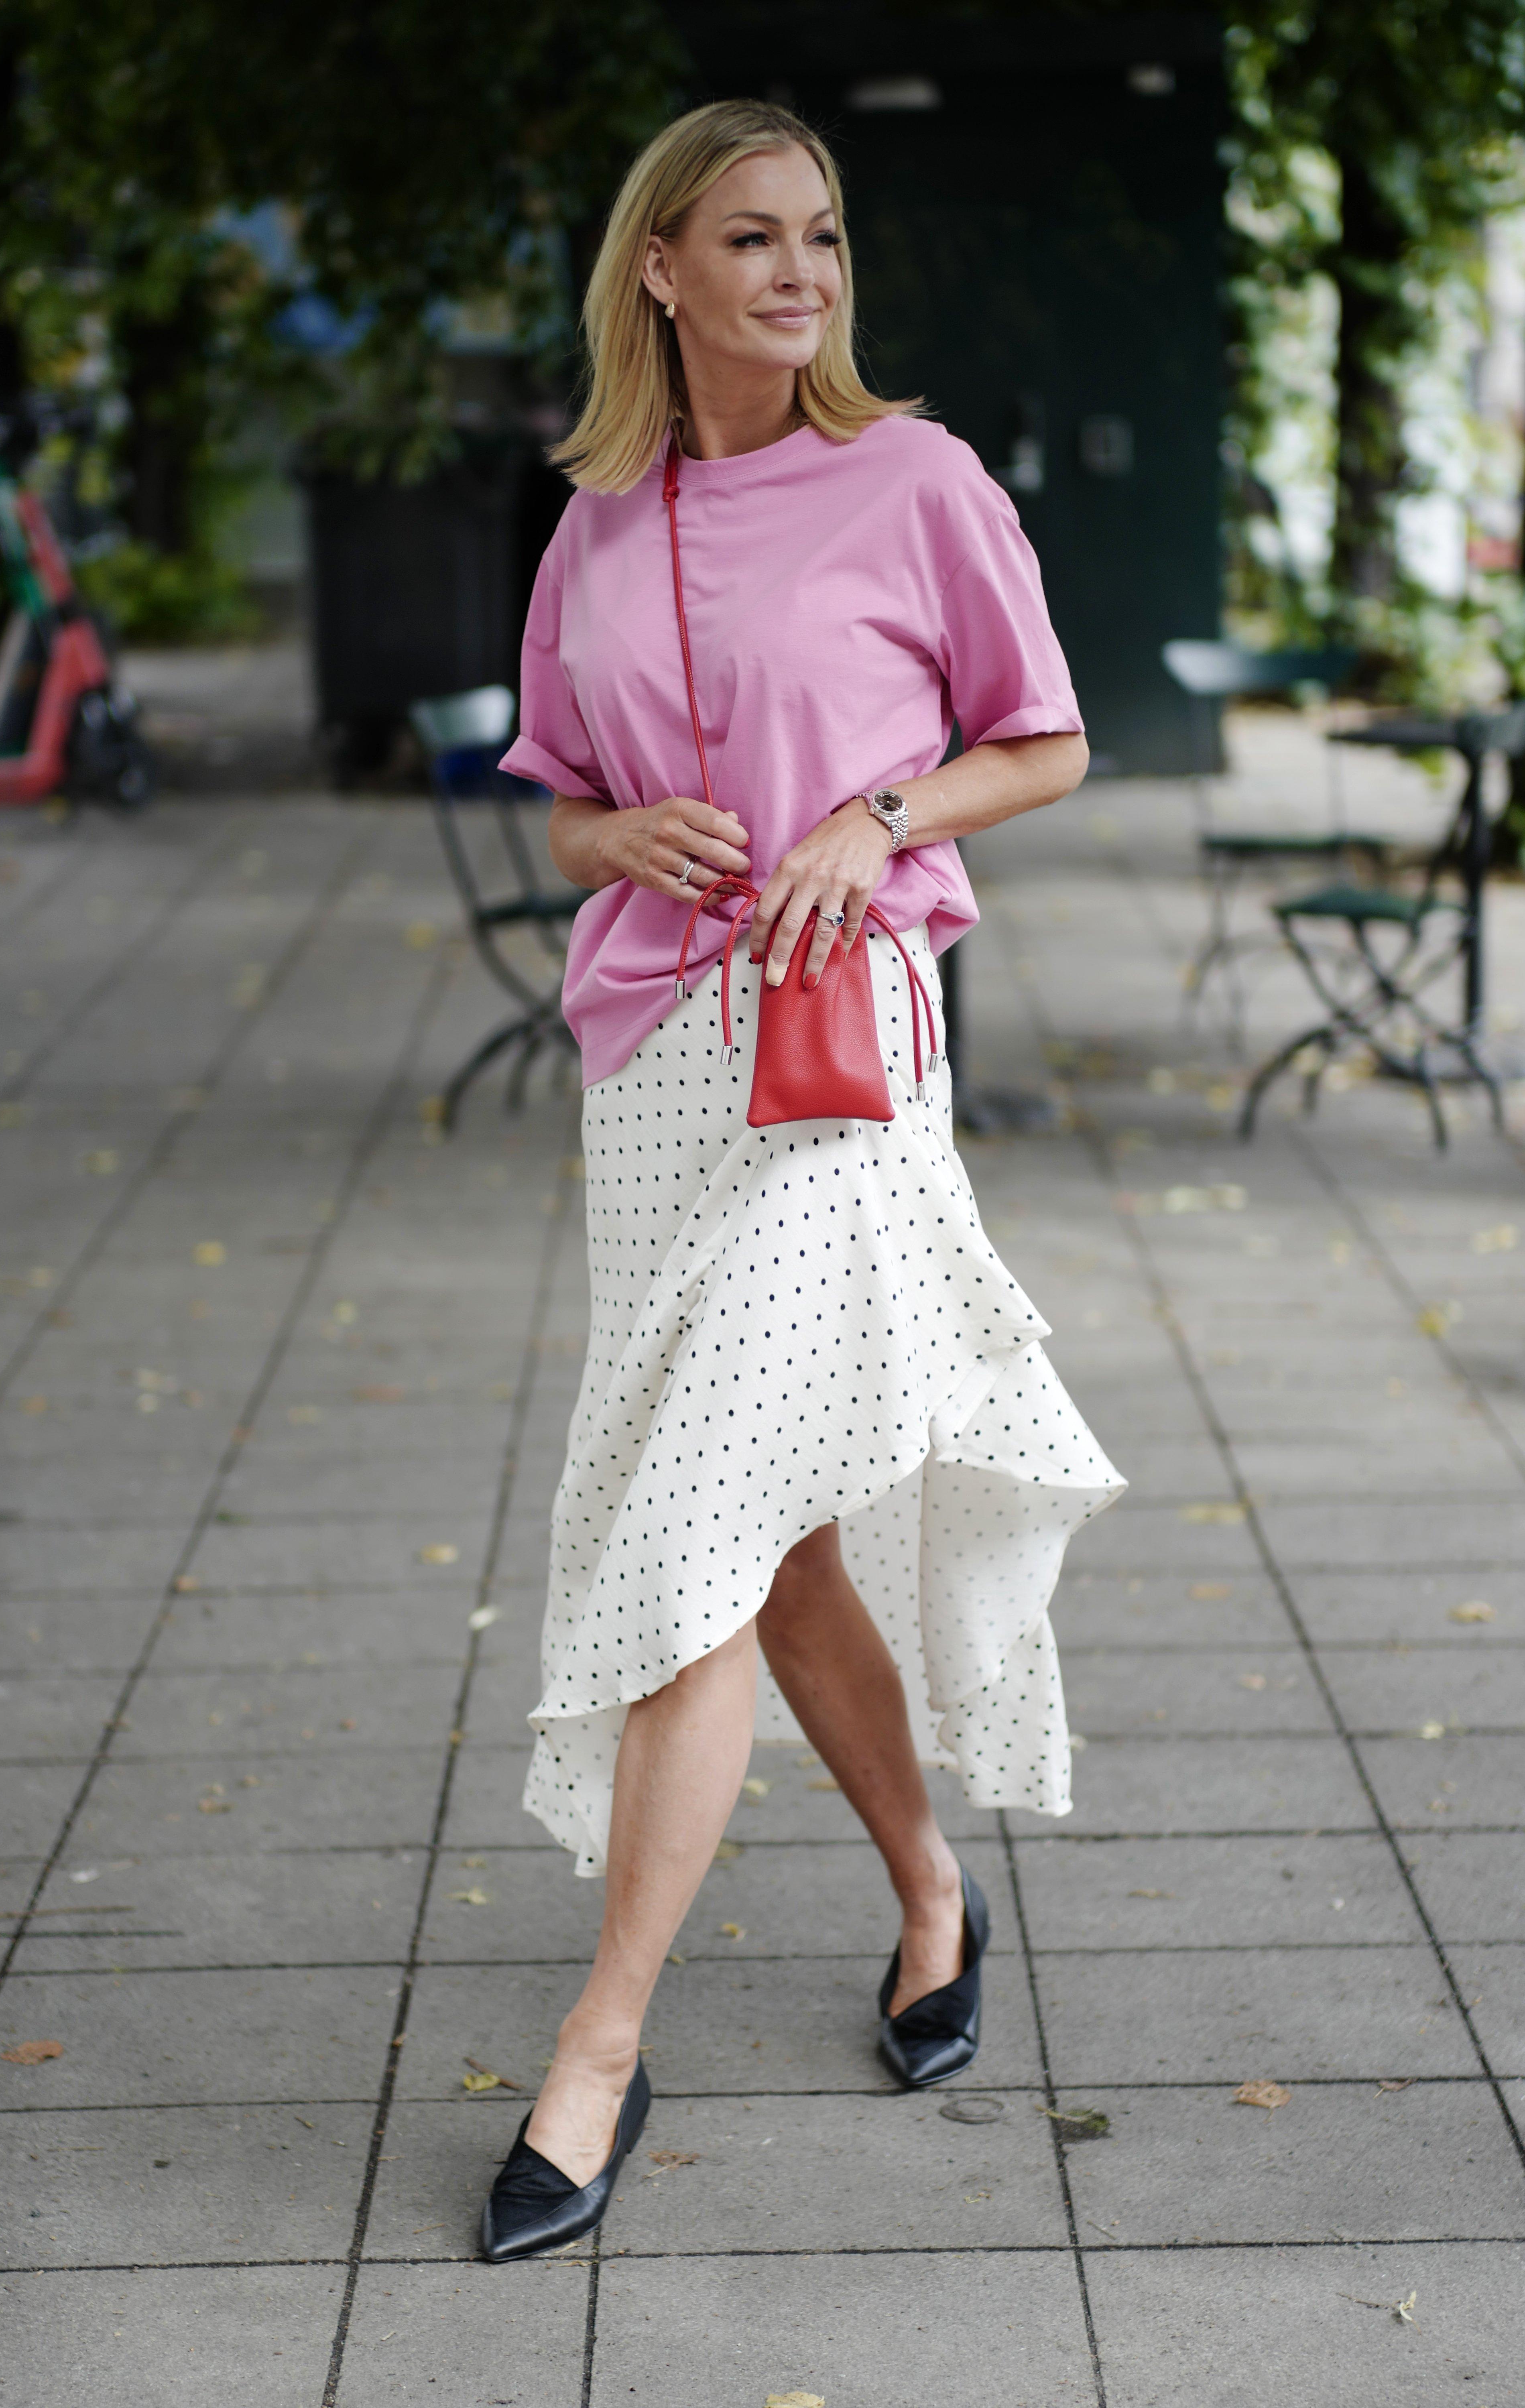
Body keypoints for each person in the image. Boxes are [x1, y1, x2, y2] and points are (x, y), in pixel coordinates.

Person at [481, 97, 1124, 2263]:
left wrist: (882, 821)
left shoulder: (918, 481)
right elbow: (554, 801)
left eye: (824, 239)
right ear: (658, 267)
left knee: (691, 1520)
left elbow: (1047, 743)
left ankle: (600, 2044)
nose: (799, 275)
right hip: (657, 1068)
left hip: (845, 1063)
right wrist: (619, 838)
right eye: (750, 239)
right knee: (770, 1552)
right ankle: (930, 1886)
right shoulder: (594, 522)